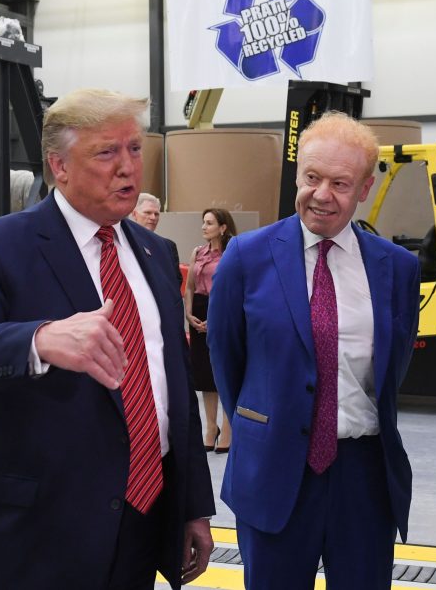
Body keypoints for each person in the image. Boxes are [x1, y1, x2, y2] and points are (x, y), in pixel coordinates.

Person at [0, 88, 215, 590]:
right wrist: (39, 339)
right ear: (59, 166)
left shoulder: (156, 253)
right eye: (106, 152)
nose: (128, 168)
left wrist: (192, 506)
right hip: (29, 539)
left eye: (135, 149)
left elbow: (172, 388)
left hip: (139, 525)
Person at [208, 111, 420, 589]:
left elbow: (394, 365)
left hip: (363, 475)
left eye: (341, 183)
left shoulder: (397, 268)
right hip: (276, 469)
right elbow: (228, 362)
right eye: (311, 178)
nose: (322, 195)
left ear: (364, 189)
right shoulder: (246, 258)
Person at [184, 208, 236, 453]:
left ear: (223, 227)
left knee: (223, 373)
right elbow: (190, 287)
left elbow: (234, 289)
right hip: (199, 312)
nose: (204, 227)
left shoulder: (232, 252)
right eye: (203, 222)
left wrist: (217, 318)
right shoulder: (198, 252)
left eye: (209, 223)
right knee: (205, 375)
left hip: (223, 310)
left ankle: (228, 429)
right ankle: (210, 427)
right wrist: (189, 314)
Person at [132, 192, 182, 289]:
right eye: (148, 212)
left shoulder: (168, 246)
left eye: (156, 214)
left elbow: (176, 280)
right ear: (135, 214)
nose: (153, 218)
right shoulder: (123, 243)